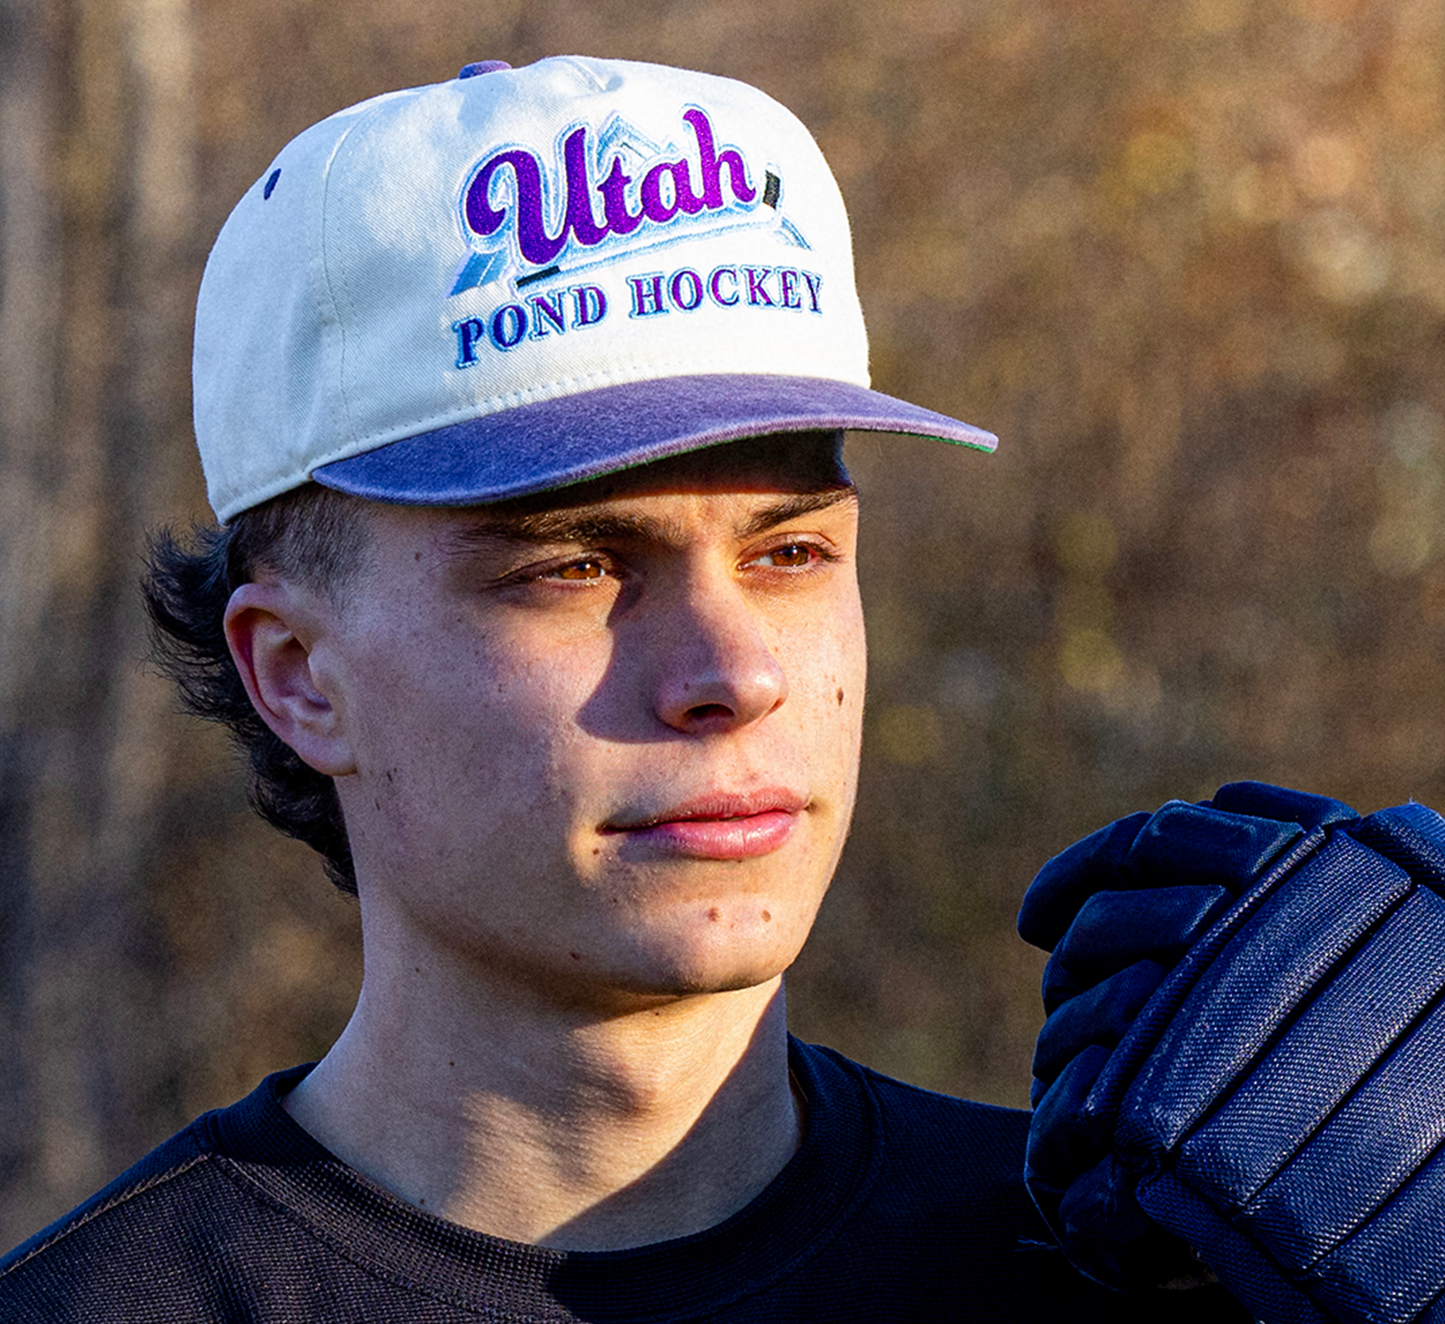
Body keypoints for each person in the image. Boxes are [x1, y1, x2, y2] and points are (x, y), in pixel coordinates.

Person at [0, 56, 1250, 1320]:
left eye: (790, 551)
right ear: (298, 675)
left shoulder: (1146, 1276)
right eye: (577, 566)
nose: (735, 672)